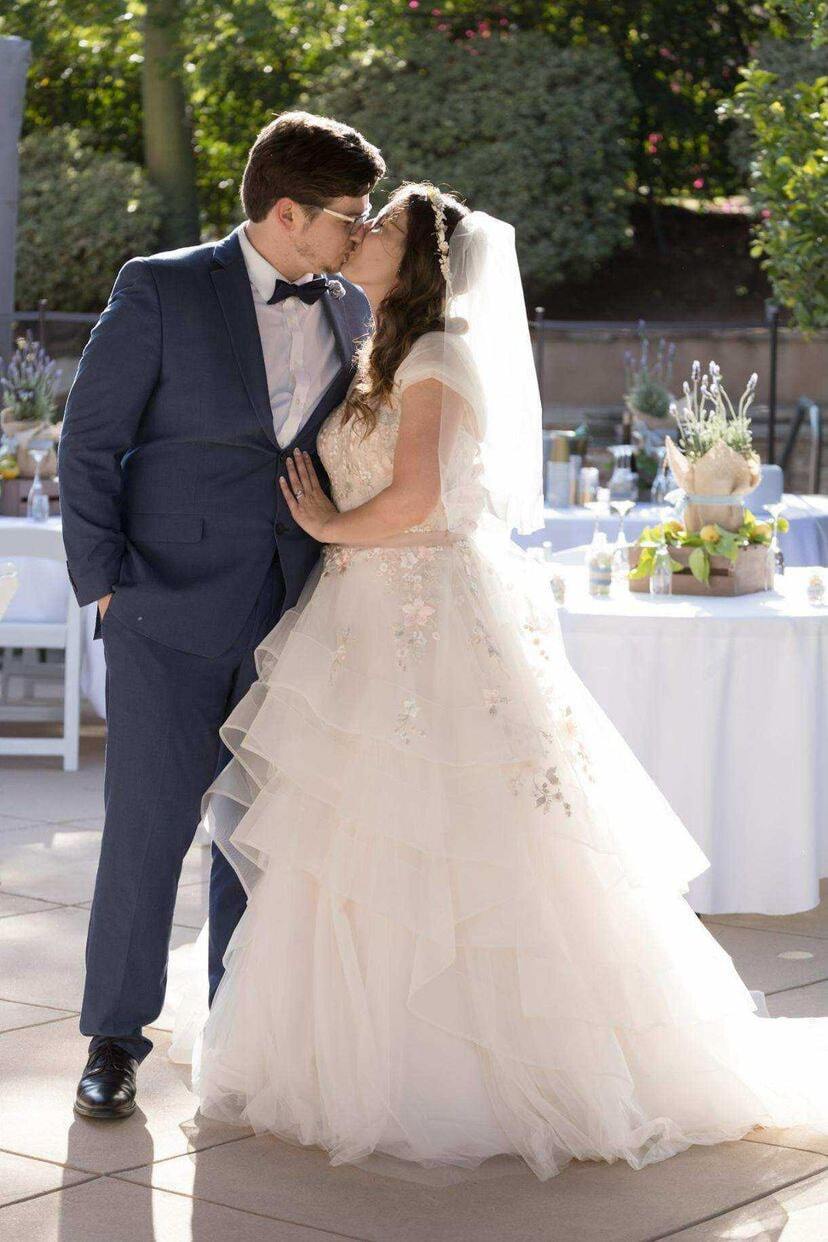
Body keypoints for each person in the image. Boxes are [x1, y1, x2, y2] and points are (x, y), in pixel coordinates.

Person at [170, 183, 828, 1182]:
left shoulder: (437, 355)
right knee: (356, 833)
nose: (364, 232)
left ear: (423, 261)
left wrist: (329, 526)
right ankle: (344, 1056)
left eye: (385, 227)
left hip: (424, 620)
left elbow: (420, 497)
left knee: (451, 833)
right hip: (362, 619)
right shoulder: (377, 348)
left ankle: (468, 1070)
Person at [58, 111, 385, 1120]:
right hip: (164, 609)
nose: (361, 232)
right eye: (348, 215)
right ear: (287, 213)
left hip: (296, 611)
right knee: (148, 831)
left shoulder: (353, 308)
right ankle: (114, 1040)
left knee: (262, 837)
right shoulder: (160, 287)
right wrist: (104, 585)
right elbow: (88, 440)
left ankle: (238, 1034)